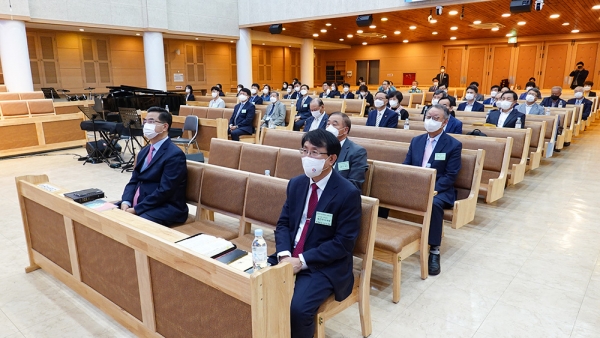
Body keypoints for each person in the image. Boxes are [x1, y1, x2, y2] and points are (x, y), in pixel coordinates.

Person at [267, 129, 361, 338]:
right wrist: (283, 255)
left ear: (331, 158)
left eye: (315, 152)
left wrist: (300, 260)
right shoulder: (297, 184)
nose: (308, 157)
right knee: (257, 288)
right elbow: (283, 224)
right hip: (287, 256)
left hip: (322, 264)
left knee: (297, 309)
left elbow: (343, 243)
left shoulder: (347, 193)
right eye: (305, 151)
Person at [403, 104, 461, 275]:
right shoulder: (417, 140)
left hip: (440, 189)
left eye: (435, 118)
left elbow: (451, 175)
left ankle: (434, 249)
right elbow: (407, 165)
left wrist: (430, 189)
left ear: (444, 122)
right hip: (416, 185)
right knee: (384, 195)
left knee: (434, 204)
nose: (430, 121)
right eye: (428, 117)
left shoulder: (453, 145)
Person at [119, 107, 188, 226]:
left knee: (134, 224)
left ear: (165, 127)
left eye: (151, 122)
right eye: (145, 121)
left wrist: (136, 209)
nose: (146, 125)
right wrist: (126, 202)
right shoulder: (143, 152)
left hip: (165, 207)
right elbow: (134, 180)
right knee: (106, 213)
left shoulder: (175, 155)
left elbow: (165, 190)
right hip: (141, 202)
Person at [326, 112, 368, 190]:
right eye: (328, 124)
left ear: (345, 130)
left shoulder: (357, 152)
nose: (329, 128)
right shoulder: (321, 148)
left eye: (334, 125)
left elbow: (354, 184)